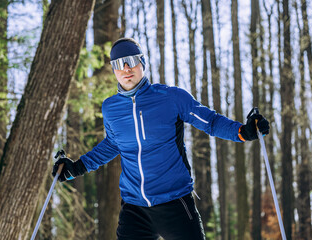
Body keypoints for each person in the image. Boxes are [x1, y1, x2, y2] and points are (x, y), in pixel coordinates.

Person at [52, 38, 270, 240]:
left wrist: (243, 131)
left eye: (131, 61)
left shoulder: (171, 98)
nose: (126, 69)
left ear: (142, 63)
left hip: (175, 202)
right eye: (119, 64)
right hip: (134, 208)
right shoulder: (110, 108)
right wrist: (76, 168)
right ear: (113, 70)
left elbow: (210, 122)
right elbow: (112, 143)